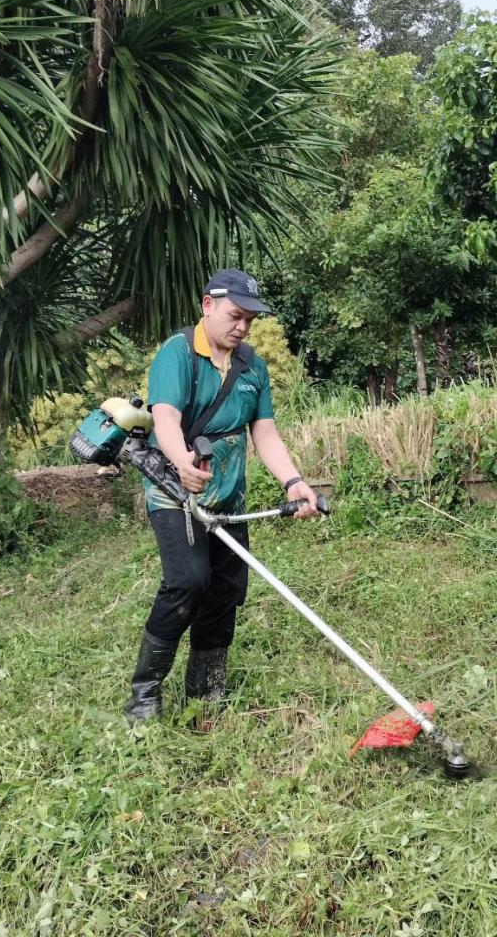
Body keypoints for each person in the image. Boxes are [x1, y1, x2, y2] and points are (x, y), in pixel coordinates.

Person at [124, 268, 320, 721]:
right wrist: (182, 463)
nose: (242, 327)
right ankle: (145, 694)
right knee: (188, 583)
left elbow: (265, 434)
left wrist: (294, 481)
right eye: (235, 315)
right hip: (176, 493)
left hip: (228, 498)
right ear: (207, 305)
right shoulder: (177, 354)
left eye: (250, 319)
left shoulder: (253, 366)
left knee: (227, 588)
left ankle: (205, 688)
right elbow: (167, 421)